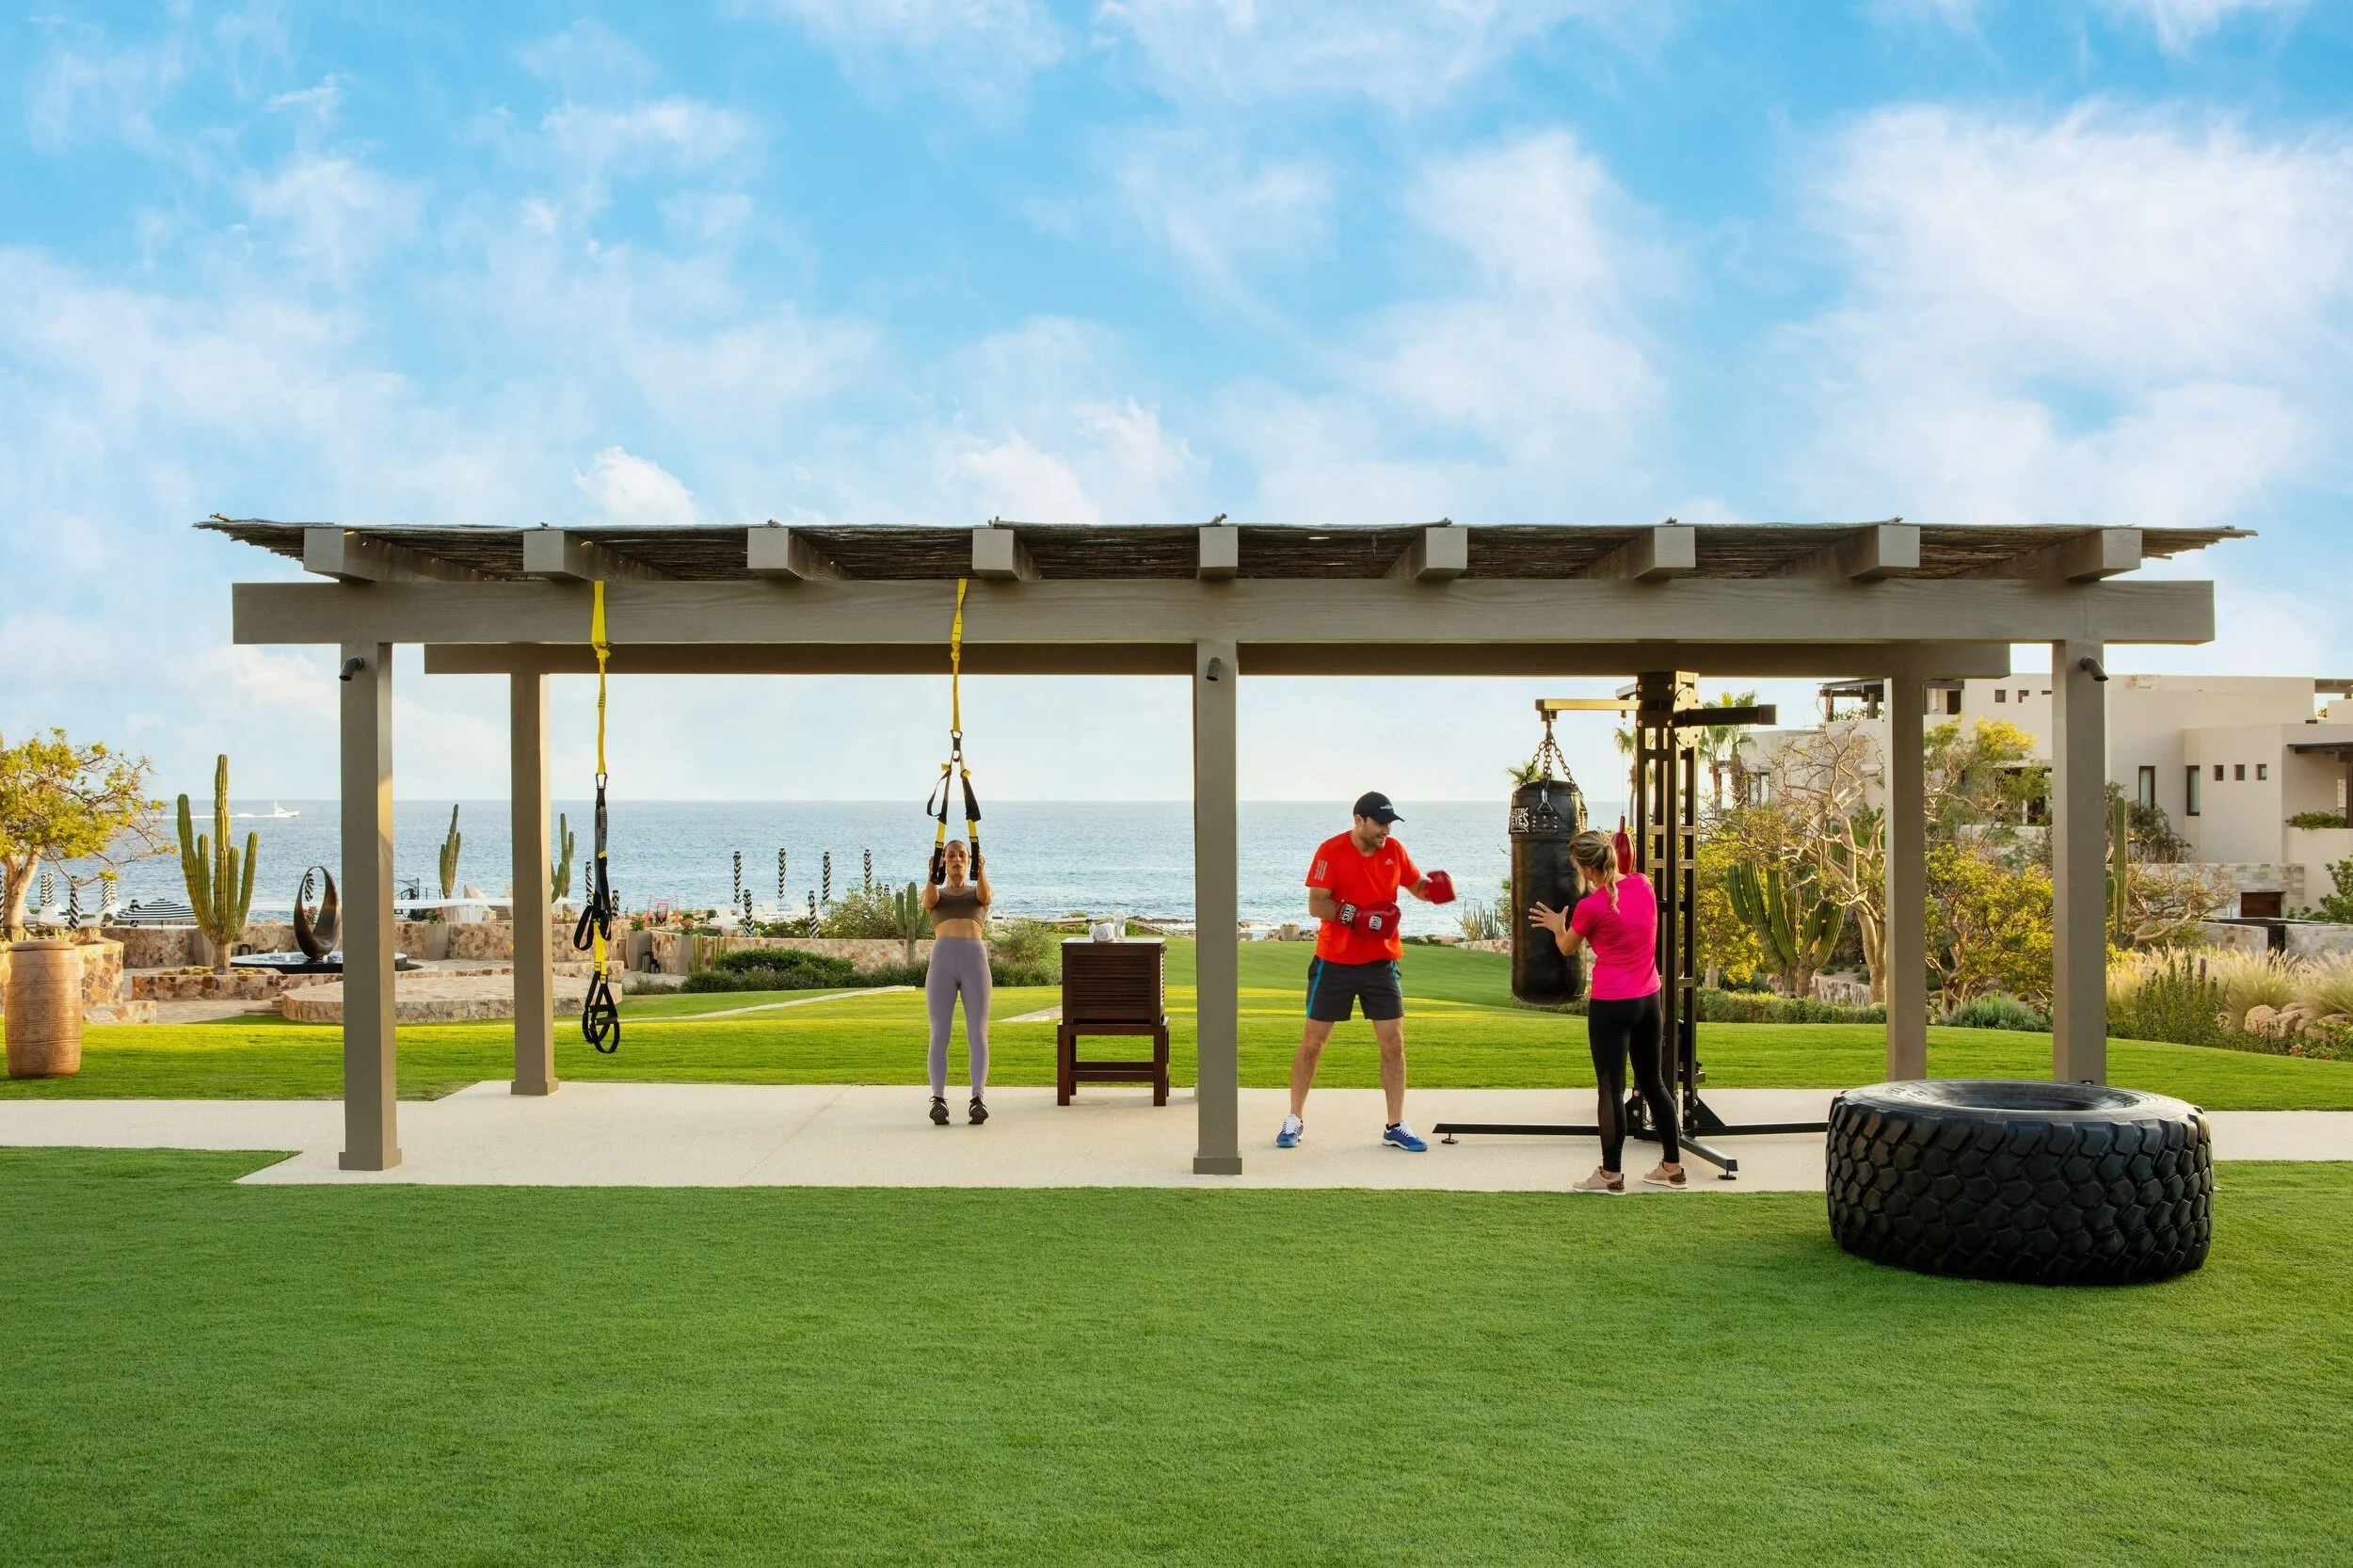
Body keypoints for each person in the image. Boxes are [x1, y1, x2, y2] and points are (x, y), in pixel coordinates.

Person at [1277, 792, 1457, 1153]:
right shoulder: (1330, 851)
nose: (1386, 830)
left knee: (1393, 1043)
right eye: (1380, 823)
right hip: (1334, 962)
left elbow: (1416, 885)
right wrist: (1358, 917)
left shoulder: (1394, 850)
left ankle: (1395, 1125)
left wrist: (1433, 891)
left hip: (1380, 963)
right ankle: (1294, 1119)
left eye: (1390, 823)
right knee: (1314, 1043)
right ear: (1359, 820)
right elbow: (1317, 903)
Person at [1528, 829, 1685, 1192]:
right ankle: (1673, 1168)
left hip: (1613, 1005)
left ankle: (1611, 1173)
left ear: (1584, 867)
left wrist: (1556, 925)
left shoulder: (1592, 906)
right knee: (1654, 1083)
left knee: (1610, 1089)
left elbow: (1567, 948)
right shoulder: (1643, 885)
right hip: (1649, 1000)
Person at [922, 838, 992, 1126]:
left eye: (962, 855)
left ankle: (977, 1099)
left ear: (969, 860)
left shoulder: (977, 892)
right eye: (951, 855)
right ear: (944, 861)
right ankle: (938, 1099)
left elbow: (986, 897)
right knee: (940, 1032)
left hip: (974, 961)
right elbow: (928, 901)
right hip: (943, 962)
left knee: (977, 1032)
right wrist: (931, 872)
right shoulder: (936, 895)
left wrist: (981, 868)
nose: (957, 859)